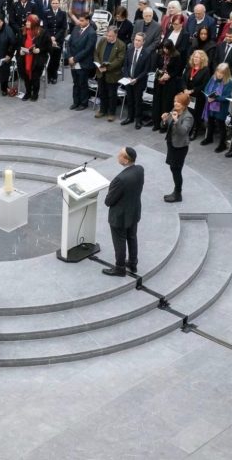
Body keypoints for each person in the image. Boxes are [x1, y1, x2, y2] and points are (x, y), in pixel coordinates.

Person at [101, 147, 144, 276]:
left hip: (120, 216)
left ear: (125, 161)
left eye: (120, 155)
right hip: (134, 211)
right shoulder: (140, 169)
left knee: (119, 241)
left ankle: (120, 268)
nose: (117, 156)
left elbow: (108, 201)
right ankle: (133, 263)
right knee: (132, 237)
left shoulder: (120, 179)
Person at [162, 92, 194, 203]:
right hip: (171, 143)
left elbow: (183, 132)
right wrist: (165, 120)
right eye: (175, 101)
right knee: (173, 168)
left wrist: (176, 121)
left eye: (179, 102)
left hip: (180, 147)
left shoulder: (188, 117)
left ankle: (178, 193)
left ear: (185, 104)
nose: (176, 104)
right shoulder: (174, 110)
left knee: (176, 170)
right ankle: (176, 191)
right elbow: (165, 127)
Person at [200, 63, 232, 152]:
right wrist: (208, 96)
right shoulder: (213, 78)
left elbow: (228, 96)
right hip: (210, 104)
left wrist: (215, 99)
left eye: (221, 73)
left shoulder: (229, 82)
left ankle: (222, 144)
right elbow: (206, 88)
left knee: (220, 125)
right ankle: (209, 138)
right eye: (218, 71)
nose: (219, 74)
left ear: (226, 73)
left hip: (221, 107)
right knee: (210, 122)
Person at [66, 12, 97, 110]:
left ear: (88, 21)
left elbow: (88, 49)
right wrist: (70, 57)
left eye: (82, 20)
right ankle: (76, 102)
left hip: (83, 62)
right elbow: (69, 43)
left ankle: (83, 103)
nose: (80, 22)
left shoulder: (91, 33)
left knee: (82, 83)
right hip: (73, 61)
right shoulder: (76, 28)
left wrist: (75, 59)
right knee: (75, 83)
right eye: (79, 20)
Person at [92, 26, 125, 117]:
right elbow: (96, 53)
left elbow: (119, 60)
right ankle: (102, 110)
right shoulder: (102, 41)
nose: (108, 38)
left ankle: (111, 113)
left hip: (112, 74)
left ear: (116, 35)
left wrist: (107, 68)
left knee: (112, 94)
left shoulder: (121, 45)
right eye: (107, 35)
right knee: (102, 92)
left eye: (111, 36)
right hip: (100, 72)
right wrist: (98, 64)